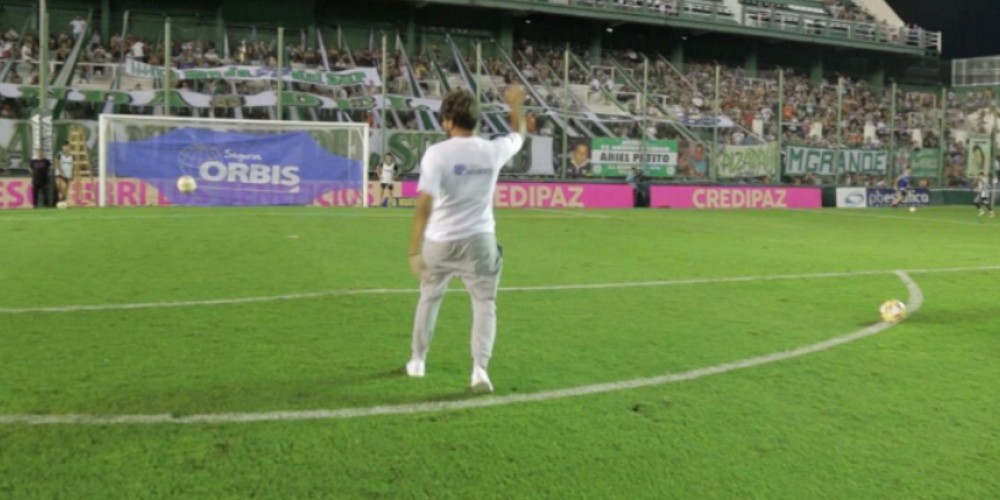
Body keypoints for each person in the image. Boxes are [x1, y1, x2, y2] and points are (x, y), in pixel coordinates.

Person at [405, 84, 527, 393]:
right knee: (484, 303)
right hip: (479, 240)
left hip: (440, 241)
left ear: (447, 120)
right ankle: (479, 371)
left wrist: (412, 250)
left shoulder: (436, 154)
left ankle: (418, 360)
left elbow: (424, 204)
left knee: (430, 297)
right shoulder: (492, 150)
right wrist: (515, 106)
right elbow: (520, 136)